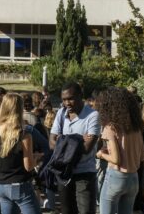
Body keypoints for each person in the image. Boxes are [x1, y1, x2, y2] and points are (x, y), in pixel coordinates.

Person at [91, 88, 144, 214]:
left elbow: (116, 159)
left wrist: (101, 154)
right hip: (133, 178)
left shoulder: (110, 128)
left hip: (116, 176)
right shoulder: (136, 126)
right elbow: (142, 156)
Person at [50, 82, 100, 214]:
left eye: (71, 98)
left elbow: (87, 148)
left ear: (80, 96)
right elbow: (51, 143)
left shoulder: (93, 116)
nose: (67, 103)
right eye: (64, 100)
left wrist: (62, 140)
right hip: (64, 173)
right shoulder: (61, 113)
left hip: (84, 174)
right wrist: (78, 139)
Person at [0, 93, 42, 214]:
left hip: (1, 184)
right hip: (20, 185)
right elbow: (28, 166)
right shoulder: (24, 135)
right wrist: (37, 158)